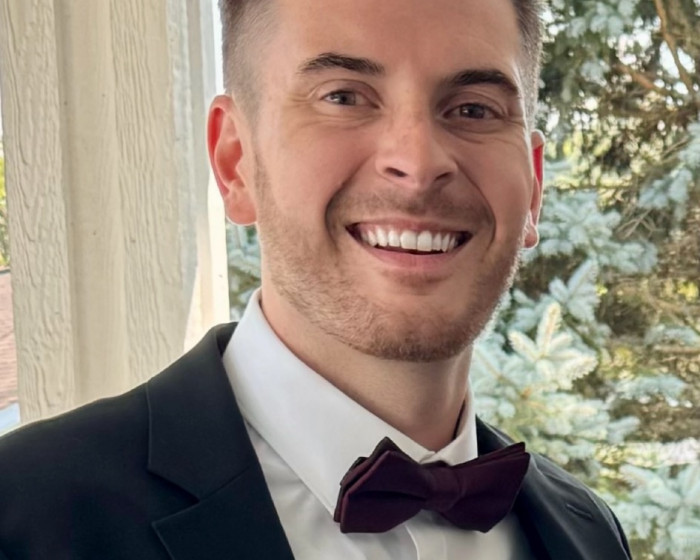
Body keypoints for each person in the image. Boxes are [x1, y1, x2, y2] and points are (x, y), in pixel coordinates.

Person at [0, 0, 633, 558]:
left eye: (473, 109)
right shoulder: (24, 515)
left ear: (534, 186)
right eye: (344, 97)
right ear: (235, 161)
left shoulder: (590, 535)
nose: (418, 163)